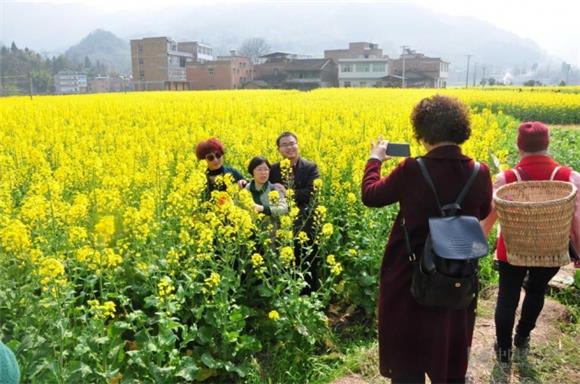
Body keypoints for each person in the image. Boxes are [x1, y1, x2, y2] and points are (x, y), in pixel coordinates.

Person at [361, 95, 493, 383]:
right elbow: (483, 212)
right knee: (448, 341)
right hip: (455, 270)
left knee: (407, 350)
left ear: (422, 132)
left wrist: (375, 159)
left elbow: (370, 196)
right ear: (461, 129)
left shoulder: (411, 168)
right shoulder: (479, 172)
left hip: (408, 271)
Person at [481, 121, 580, 365]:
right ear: (547, 144)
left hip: (511, 251)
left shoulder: (506, 178)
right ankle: (522, 338)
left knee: (507, 297)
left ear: (519, 146)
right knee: (536, 291)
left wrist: (477, 243)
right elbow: (577, 219)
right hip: (551, 249)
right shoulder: (570, 178)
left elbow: (488, 219)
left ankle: (503, 351)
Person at [269, 132, 321, 291]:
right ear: (279, 149)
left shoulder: (310, 167)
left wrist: (288, 192)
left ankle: (310, 297)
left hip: (305, 221)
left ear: (297, 145)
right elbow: (263, 185)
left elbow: (313, 192)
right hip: (282, 223)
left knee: (307, 259)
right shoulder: (273, 169)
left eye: (292, 143)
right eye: (284, 145)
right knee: (285, 258)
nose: (289, 147)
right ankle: (288, 294)